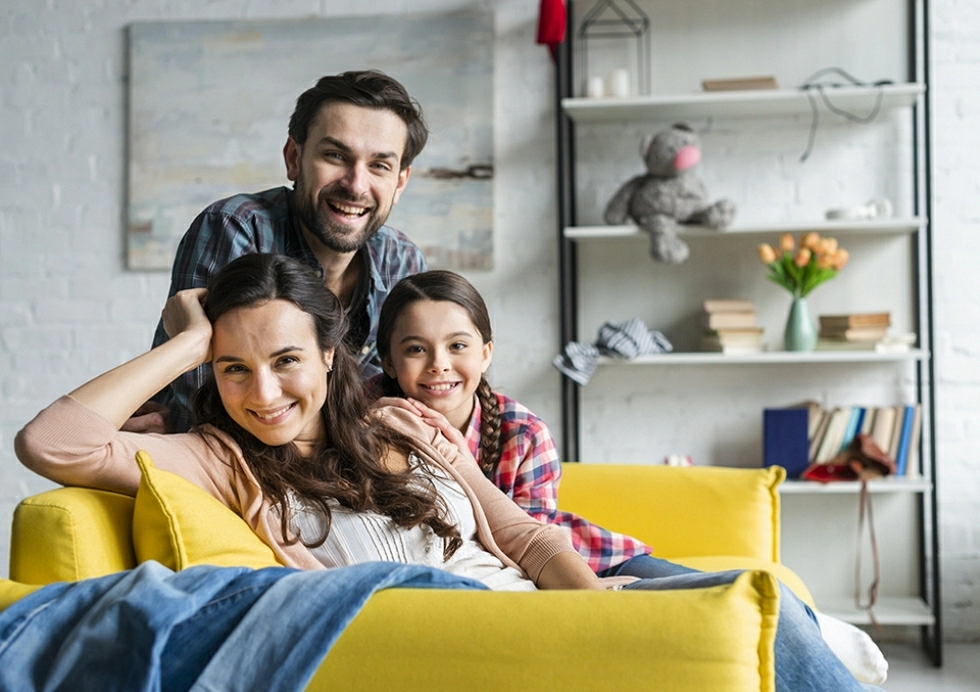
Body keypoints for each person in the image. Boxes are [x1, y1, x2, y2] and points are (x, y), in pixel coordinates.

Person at [16, 254, 880, 691]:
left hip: (550, 609)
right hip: (467, 634)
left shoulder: (399, 419)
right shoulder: (221, 459)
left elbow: (521, 534)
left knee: (775, 606)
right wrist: (189, 344)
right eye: (236, 370)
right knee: (776, 624)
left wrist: (592, 609)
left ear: (330, 354)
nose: (264, 392)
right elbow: (51, 442)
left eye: (285, 360)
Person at [373, 269, 888, 690]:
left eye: (457, 345)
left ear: (486, 353)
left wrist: (599, 581)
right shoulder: (377, 429)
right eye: (416, 349)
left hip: (593, 556)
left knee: (756, 594)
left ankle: (822, 635)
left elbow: (533, 536)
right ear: (389, 362)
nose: (439, 365)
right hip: (546, 581)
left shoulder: (522, 430)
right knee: (733, 603)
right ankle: (816, 635)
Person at [139, 70, 429, 434]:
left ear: (400, 181)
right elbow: (206, 406)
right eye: (336, 155)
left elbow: (410, 406)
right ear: (294, 157)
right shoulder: (235, 227)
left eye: (379, 166)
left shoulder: (402, 260)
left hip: (345, 473)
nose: (356, 184)